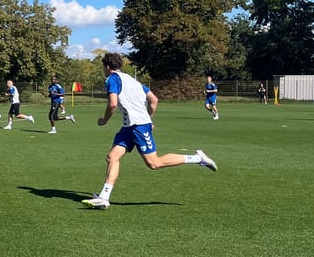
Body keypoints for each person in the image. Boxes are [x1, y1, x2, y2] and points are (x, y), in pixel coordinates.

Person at [82, 52, 217, 210]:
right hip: (130, 126)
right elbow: (153, 100)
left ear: (107, 66)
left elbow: (112, 104)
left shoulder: (112, 79)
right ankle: (104, 198)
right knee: (112, 157)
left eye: (103, 67)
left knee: (154, 163)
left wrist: (104, 120)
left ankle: (197, 158)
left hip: (138, 126)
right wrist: (149, 118)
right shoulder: (133, 81)